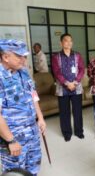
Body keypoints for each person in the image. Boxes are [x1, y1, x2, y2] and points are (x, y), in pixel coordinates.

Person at [0, 39, 46, 176]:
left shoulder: (23, 72)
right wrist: (11, 140)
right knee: (15, 172)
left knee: (33, 169)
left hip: (32, 134)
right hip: (13, 139)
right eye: (19, 56)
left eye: (25, 56)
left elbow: (33, 96)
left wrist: (41, 118)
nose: (24, 60)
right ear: (5, 57)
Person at [52, 33, 85, 142]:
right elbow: (56, 72)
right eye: (66, 40)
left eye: (70, 40)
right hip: (62, 89)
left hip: (76, 87)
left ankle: (79, 131)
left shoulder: (77, 55)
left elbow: (81, 69)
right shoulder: (56, 57)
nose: (69, 42)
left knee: (78, 111)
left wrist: (75, 82)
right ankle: (67, 133)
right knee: (64, 112)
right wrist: (67, 83)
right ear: (61, 43)